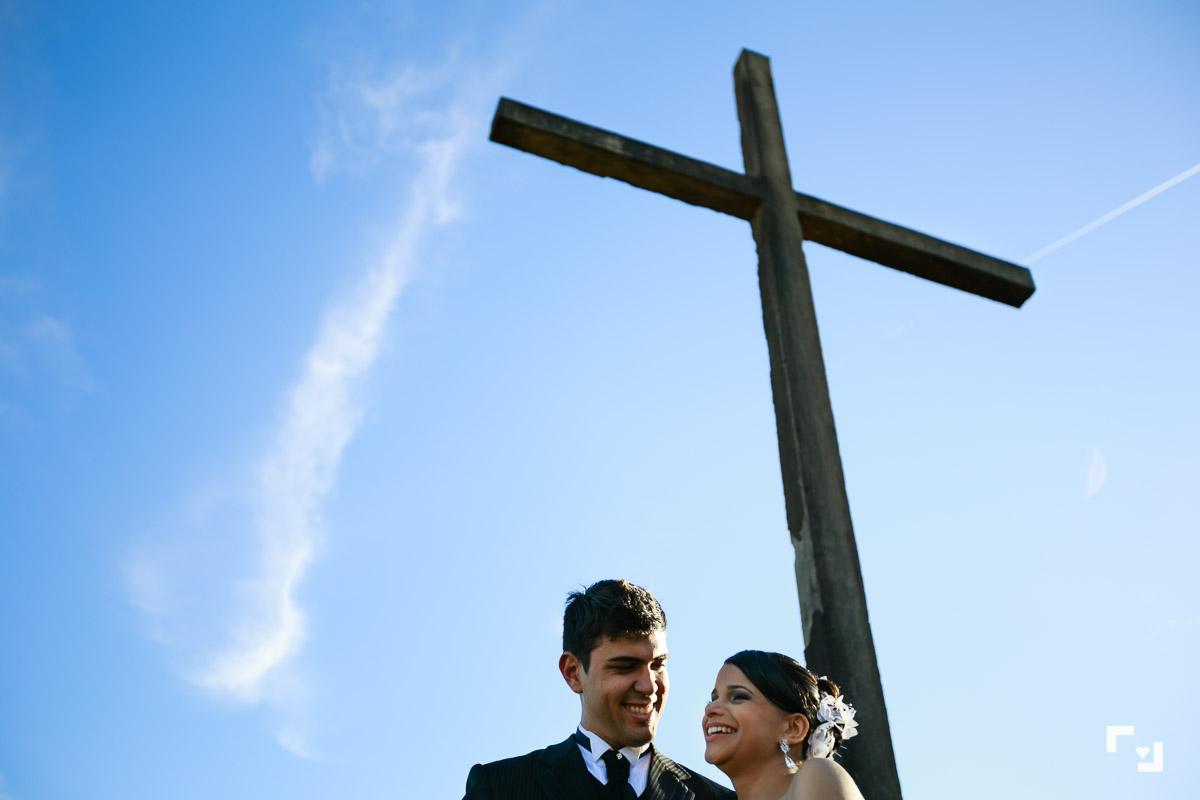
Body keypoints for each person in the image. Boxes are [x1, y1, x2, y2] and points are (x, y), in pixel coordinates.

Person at [463, 579, 734, 800]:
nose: (649, 685)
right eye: (625, 666)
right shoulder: (499, 788)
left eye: (658, 665)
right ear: (573, 673)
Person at [702, 650, 866, 800]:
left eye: (738, 696)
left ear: (793, 728)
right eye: (714, 699)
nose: (710, 709)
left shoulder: (817, 774)